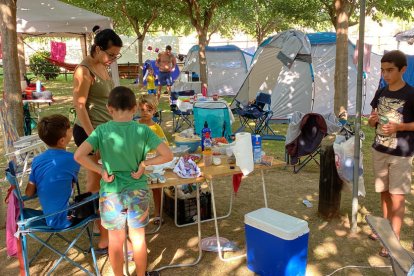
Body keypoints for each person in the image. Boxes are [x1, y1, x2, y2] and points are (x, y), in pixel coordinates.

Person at [74, 86, 173, 276]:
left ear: (109, 108)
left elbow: (79, 155)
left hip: (111, 193)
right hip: (138, 191)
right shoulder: (143, 131)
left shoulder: (102, 131)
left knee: (115, 240)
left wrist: (100, 170)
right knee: (138, 239)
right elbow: (167, 154)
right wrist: (145, 163)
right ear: (135, 108)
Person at [72, 25, 122, 253]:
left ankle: (102, 225)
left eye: (116, 56)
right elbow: (80, 106)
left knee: (104, 179)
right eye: (111, 54)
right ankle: (96, 229)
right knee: (95, 181)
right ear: (98, 48)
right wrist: (94, 135)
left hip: (104, 131)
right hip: (90, 133)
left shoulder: (103, 66)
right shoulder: (84, 70)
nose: (113, 59)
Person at [368, 50, 414, 257]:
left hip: (401, 153)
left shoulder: (411, 94)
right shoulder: (381, 92)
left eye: (390, 70)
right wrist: (372, 121)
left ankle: (393, 241)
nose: (385, 75)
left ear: (403, 69)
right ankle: (385, 230)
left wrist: (399, 127)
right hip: (379, 149)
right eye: (382, 70)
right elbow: (373, 118)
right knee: (384, 192)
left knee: (397, 197)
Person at [25, 115, 79, 229]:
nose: (72, 130)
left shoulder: (37, 160)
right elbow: (72, 184)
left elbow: (29, 193)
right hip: (67, 218)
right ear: (62, 141)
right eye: (69, 129)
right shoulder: (73, 159)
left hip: (48, 217)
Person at [138, 94, 168, 224]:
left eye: (149, 110)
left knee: (156, 187)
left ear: (154, 111)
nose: (145, 113)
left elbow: (164, 147)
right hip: (138, 162)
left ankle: (158, 213)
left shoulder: (156, 128)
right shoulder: (134, 125)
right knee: (140, 189)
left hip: (153, 163)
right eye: (143, 110)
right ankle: (140, 214)